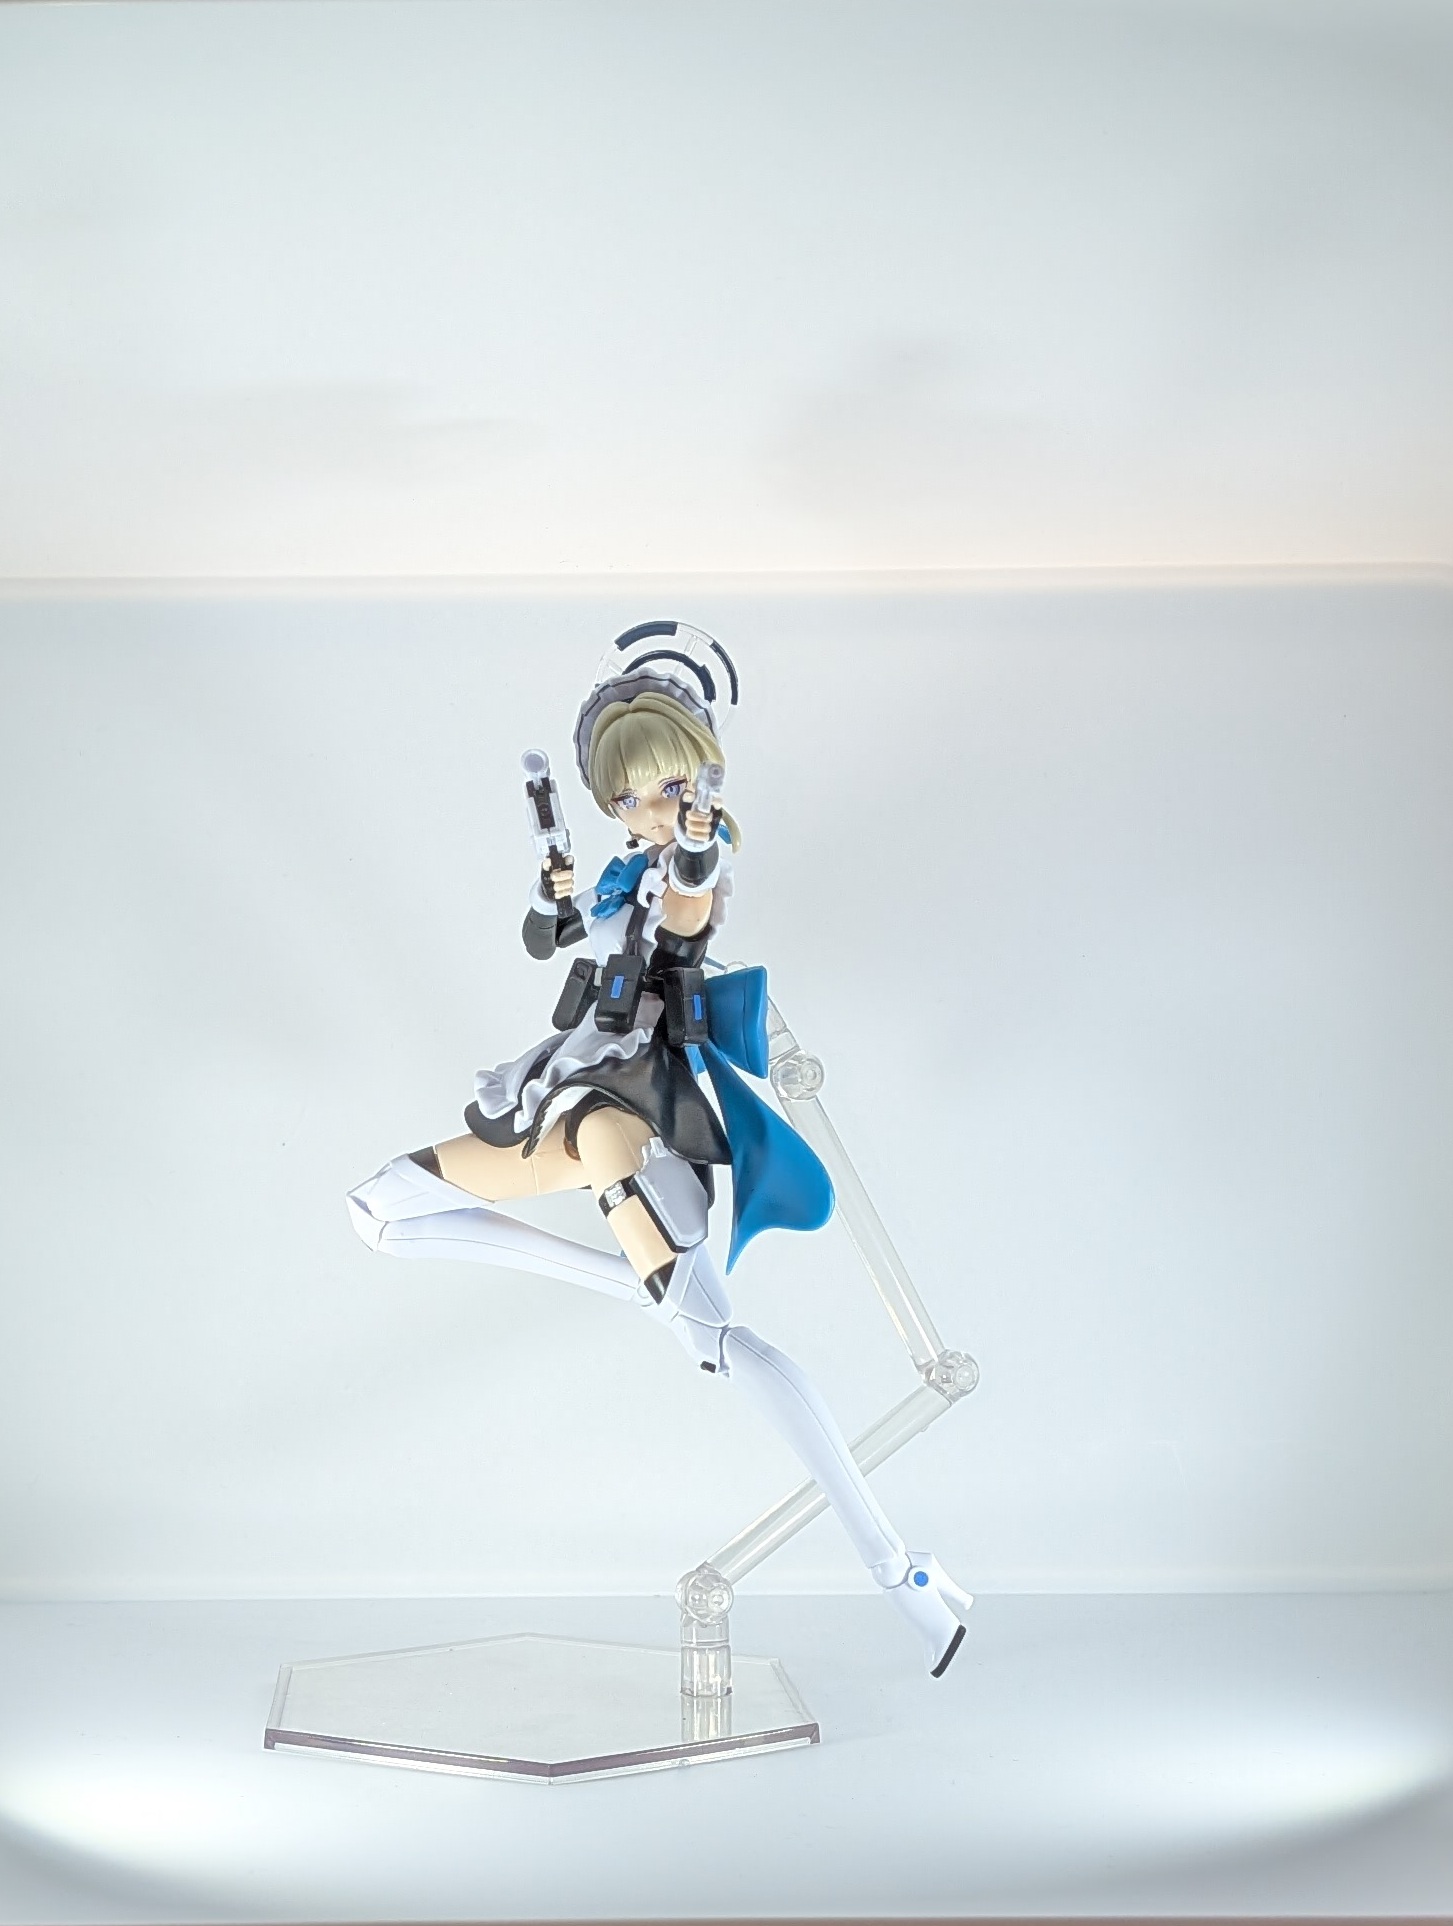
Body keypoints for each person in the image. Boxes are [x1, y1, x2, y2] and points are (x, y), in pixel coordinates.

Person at [347, 622, 973, 1675]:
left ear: (700, 779)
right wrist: (554, 895)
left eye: (670, 785)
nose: (650, 807)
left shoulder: (689, 864)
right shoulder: (611, 876)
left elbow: (686, 907)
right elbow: (554, 943)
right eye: (632, 795)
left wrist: (692, 840)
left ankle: (897, 1570)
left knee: (720, 1345)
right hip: (564, 1087)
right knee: (378, 1208)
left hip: (635, 1110)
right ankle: (642, 1289)